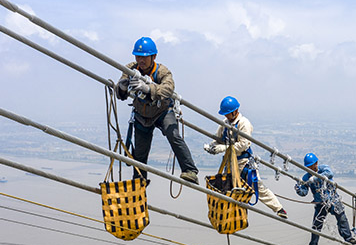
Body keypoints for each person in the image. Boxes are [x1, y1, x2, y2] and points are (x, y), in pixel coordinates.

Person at [114, 37, 199, 184]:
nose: (141, 60)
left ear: (153, 57)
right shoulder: (130, 69)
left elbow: (168, 89)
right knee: (140, 152)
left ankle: (190, 170)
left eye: (144, 57)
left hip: (162, 111)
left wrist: (148, 88)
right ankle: (139, 182)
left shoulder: (162, 71)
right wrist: (121, 87)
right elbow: (120, 94)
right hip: (142, 114)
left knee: (173, 135)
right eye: (138, 56)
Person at [203, 96, 288, 219]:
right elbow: (219, 139)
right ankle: (230, 216)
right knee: (229, 188)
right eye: (225, 114)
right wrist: (212, 147)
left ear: (235, 111)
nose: (226, 116)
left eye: (228, 114)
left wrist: (223, 148)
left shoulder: (244, 124)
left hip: (243, 162)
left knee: (257, 186)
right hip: (230, 163)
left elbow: (243, 145)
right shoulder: (225, 124)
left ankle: (278, 208)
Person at [294, 152, 356, 245]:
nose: (310, 168)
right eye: (308, 167)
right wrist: (298, 187)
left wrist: (315, 178)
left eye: (312, 166)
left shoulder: (323, 168)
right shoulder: (306, 177)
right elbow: (304, 193)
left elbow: (329, 174)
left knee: (342, 218)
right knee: (316, 226)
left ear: (316, 163)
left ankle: (348, 238)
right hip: (320, 204)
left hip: (333, 200)